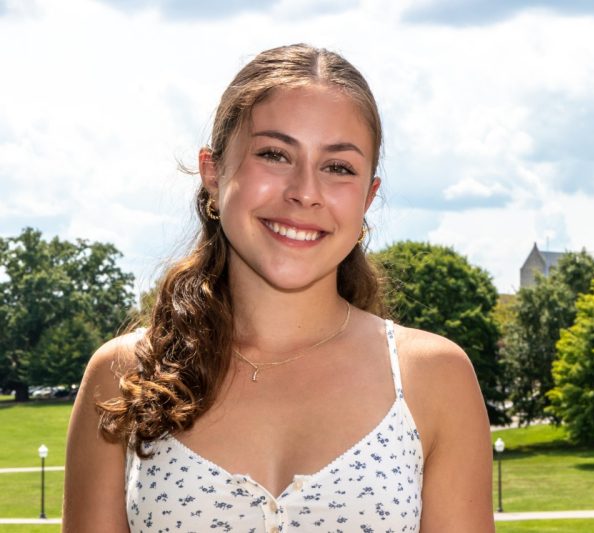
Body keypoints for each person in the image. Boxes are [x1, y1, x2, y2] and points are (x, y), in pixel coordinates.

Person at [63, 43, 494, 532]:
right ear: (213, 171)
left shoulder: (432, 380)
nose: (305, 192)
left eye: (337, 167)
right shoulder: (124, 375)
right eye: (274, 154)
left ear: (369, 197)